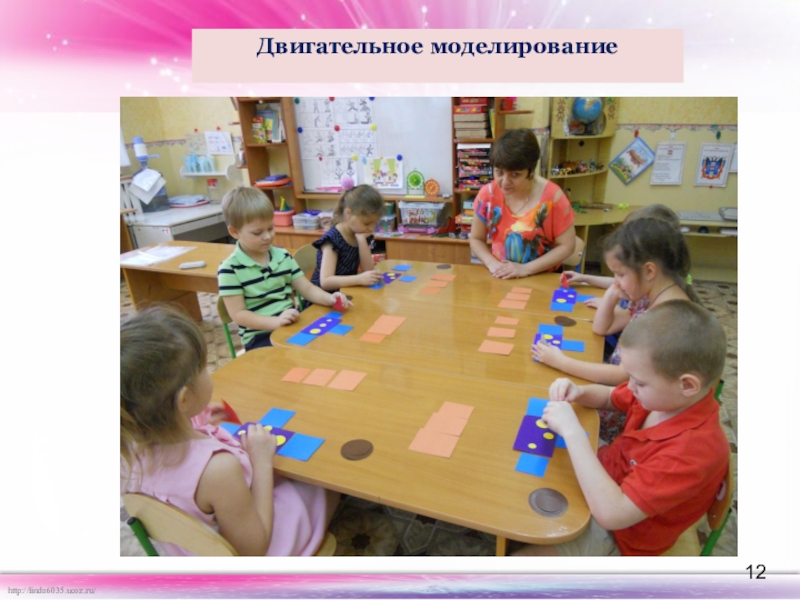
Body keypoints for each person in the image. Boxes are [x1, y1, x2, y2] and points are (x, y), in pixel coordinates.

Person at [120, 305, 339, 556]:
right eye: (203, 368)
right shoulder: (218, 469)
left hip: (186, 551)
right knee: (321, 482)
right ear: (184, 400)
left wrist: (193, 420)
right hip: (249, 554)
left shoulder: (126, 447)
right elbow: (253, 550)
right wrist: (261, 462)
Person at [515, 300, 729, 556]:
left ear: (687, 385)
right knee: (521, 466)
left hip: (623, 535)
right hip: (609, 473)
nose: (630, 387)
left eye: (639, 382)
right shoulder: (664, 397)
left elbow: (611, 515)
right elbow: (609, 397)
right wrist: (579, 391)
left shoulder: (690, 452)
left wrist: (573, 432)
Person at [533, 217, 698, 441]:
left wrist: (562, 362)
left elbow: (622, 375)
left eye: (620, 274)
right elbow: (602, 328)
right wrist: (613, 292)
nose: (615, 281)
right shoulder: (648, 297)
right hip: (617, 398)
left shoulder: (666, 320)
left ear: (649, 271)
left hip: (625, 418)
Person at [217, 187, 352, 352]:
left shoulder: (282, 256)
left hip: (290, 326)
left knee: (332, 346)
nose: (267, 236)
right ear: (234, 232)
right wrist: (276, 322)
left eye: (270, 228)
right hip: (260, 337)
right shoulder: (229, 269)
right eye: (257, 233)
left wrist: (329, 298)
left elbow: (307, 289)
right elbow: (239, 315)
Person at [469, 129, 576, 279]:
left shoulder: (553, 198)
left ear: (530, 171)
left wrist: (526, 269)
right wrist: (492, 264)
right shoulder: (487, 195)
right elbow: (476, 239)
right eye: (499, 172)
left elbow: (567, 246)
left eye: (515, 174)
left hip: (543, 277)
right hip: (502, 275)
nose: (505, 182)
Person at [563, 204, 683, 301]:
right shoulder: (653, 282)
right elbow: (618, 282)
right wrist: (584, 278)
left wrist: (612, 307)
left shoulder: (654, 299)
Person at [311, 183, 384, 291]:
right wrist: (359, 279)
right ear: (348, 214)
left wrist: (361, 241)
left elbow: (368, 269)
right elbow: (325, 282)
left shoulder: (361, 233)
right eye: (367, 223)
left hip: (347, 291)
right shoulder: (332, 240)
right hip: (323, 296)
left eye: (374, 223)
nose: (371, 228)